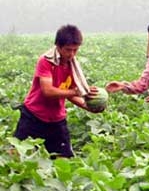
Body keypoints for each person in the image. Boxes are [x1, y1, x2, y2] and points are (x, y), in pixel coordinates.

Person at [13, 24, 101, 158]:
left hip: (56, 119)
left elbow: (67, 93)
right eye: (68, 50)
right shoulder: (46, 61)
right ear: (58, 46)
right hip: (33, 116)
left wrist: (87, 106)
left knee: (64, 159)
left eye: (75, 50)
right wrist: (76, 92)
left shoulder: (73, 65)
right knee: (16, 154)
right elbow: (47, 91)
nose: (71, 54)